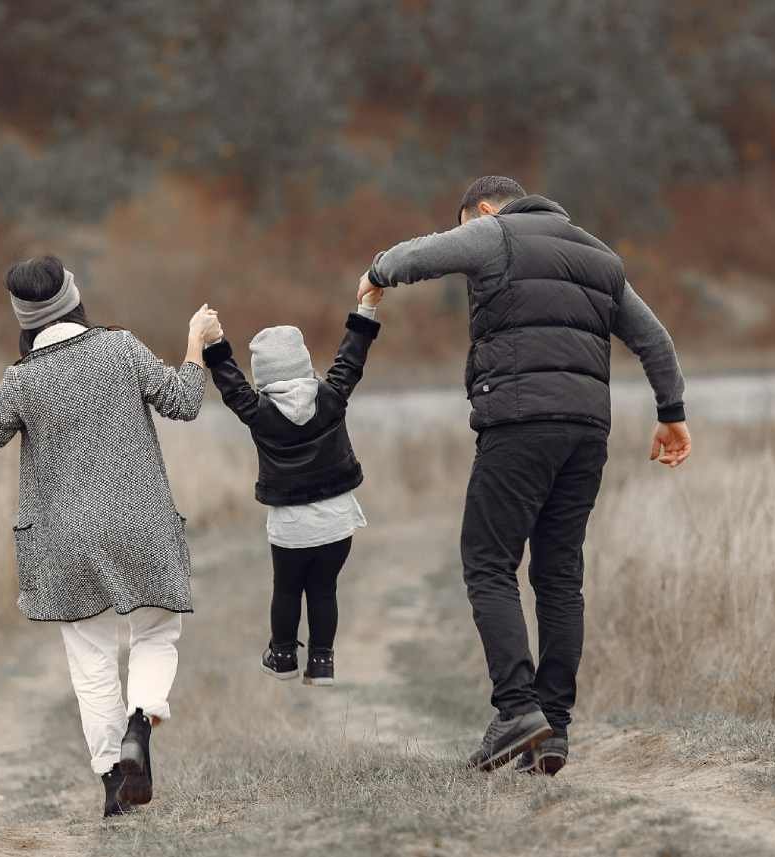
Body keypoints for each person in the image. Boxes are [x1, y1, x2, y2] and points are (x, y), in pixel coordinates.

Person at [358, 176, 693, 776]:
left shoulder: (493, 235)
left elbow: (416, 256)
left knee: (488, 561)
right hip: (587, 433)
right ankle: (554, 728)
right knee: (559, 575)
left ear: (484, 211)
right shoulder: (599, 257)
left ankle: (516, 710)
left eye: (469, 225)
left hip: (518, 423)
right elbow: (656, 342)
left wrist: (377, 272)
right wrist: (671, 414)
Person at [0, 255, 222, 817]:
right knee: (156, 633)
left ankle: (115, 783)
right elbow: (183, 402)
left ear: (25, 315)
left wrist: (25, 387)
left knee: (91, 663)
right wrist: (193, 344)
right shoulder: (120, 348)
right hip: (140, 525)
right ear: (72, 298)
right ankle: (142, 721)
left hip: (63, 544)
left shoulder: (21, 379)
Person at [201, 294, 384, 687]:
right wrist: (366, 310)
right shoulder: (332, 397)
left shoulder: (258, 412)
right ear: (303, 364)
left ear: (263, 376)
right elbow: (351, 360)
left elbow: (231, 385)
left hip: (290, 526)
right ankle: (322, 662)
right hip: (337, 520)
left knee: (287, 590)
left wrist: (214, 342)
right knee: (324, 589)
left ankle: (283, 655)